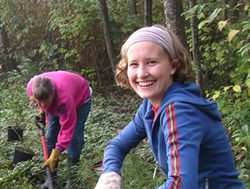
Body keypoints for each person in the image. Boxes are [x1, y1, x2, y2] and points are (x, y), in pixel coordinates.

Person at [94, 25, 244, 189]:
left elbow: (181, 185)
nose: (141, 73)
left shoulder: (180, 110)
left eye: (151, 62)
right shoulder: (150, 107)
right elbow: (117, 145)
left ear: (173, 66)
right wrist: (110, 175)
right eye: (134, 64)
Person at [26, 70, 92, 189]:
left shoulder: (64, 98)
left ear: (52, 94)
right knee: (50, 136)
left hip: (81, 98)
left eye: (45, 102)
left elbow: (67, 130)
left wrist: (56, 153)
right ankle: (51, 177)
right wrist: (41, 110)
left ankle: (72, 180)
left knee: (74, 139)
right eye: (39, 102)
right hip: (59, 99)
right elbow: (41, 103)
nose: (42, 105)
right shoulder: (31, 86)